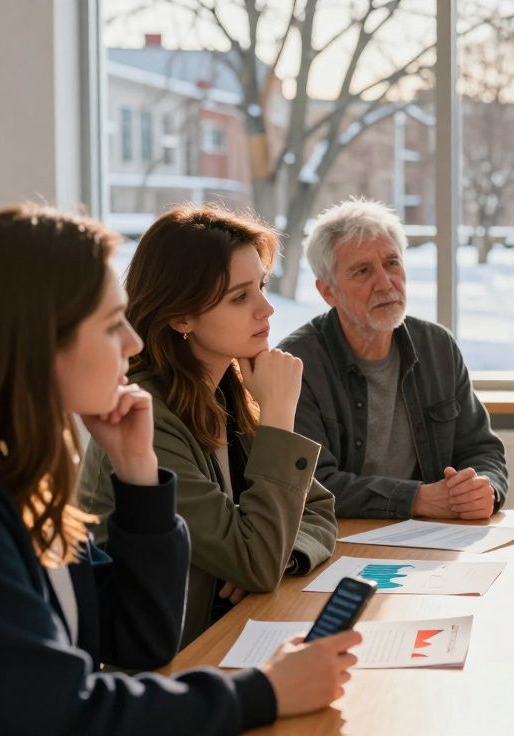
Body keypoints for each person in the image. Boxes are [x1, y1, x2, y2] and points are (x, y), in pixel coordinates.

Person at [0, 204, 359, 735]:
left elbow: (140, 638)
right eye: (108, 324)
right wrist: (267, 691)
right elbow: (64, 710)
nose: (132, 342)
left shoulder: (33, 492)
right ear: (38, 342)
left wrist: (140, 476)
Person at [79, 204, 337, 647]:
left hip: (224, 635)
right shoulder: (146, 415)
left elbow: (317, 512)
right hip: (171, 661)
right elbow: (254, 561)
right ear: (181, 317)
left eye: (261, 286)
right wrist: (278, 415)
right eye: (240, 297)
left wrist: (283, 554)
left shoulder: (227, 389)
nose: (267, 308)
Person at [280, 199, 508, 519]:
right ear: (328, 292)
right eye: (363, 271)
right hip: (339, 539)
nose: (386, 284)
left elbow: (481, 449)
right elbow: (309, 484)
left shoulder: (437, 346)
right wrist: (415, 499)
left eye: (392, 263)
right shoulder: (298, 364)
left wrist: (485, 487)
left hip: (432, 535)